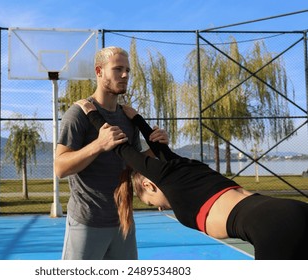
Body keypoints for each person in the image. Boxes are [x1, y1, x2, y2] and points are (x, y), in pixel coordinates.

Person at [75, 99, 308, 260]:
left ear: (149, 184)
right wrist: (136, 118)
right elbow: (162, 149)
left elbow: (121, 149)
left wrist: (91, 113)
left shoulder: (166, 177)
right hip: (294, 209)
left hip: (273, 227)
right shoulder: (188, 167)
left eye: (150, 202)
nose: (158, 208)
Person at [54, 46, 168, 260]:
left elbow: (131, 165)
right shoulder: (78, 114)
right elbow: (60, 168)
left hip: (124, 221)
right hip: (87, 222)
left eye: (127, 70)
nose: (125, 75)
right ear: (99, 72)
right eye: (117, 69)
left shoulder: (128, 117)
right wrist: (99, 145)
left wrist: (154, 149)